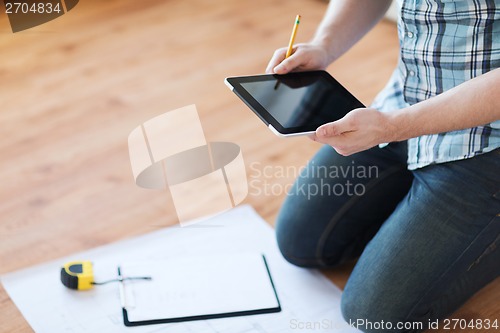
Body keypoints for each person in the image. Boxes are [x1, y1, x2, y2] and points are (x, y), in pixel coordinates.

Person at [266, 0, 500, 332]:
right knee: (300, 241)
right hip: (405, 101)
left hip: (488, 140)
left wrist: (392, 127)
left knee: (373, 312)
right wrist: (323, 46)